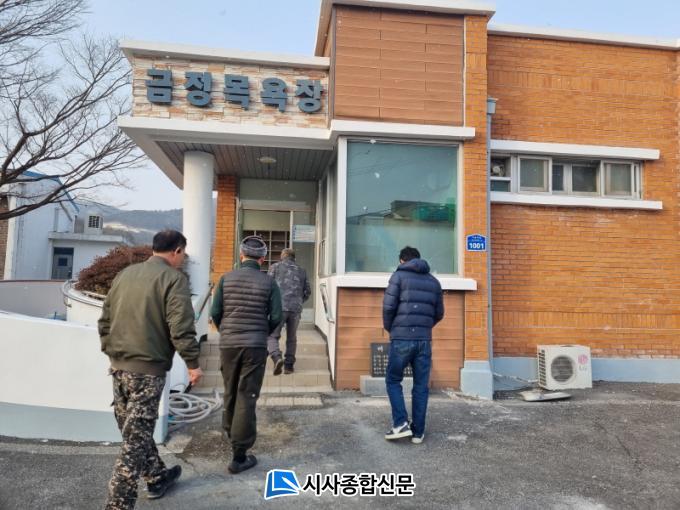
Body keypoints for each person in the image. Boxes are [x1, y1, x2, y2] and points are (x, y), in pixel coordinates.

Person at [99, 230, 203, 510]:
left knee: (133, 433)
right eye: (183, 254)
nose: (183, 259)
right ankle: (117, 505)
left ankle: (157, 476)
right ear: (177, 251)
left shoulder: (125, 275)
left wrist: (111, 351)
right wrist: (193, 364)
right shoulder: (173, 279)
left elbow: (105, 319)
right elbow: (181, 328)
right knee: (134, 444)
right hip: (147, 372)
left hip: (118, 368)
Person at [210, 235, 282, 474]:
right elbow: (277, 316)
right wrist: (263, 332)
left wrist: (225, 331)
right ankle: (239, 455)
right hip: (255, 345)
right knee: (246, 395)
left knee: (230, 390)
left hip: (229, 344)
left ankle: (230, 431)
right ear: (262, 259)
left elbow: (215, 312)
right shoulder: (269, 283)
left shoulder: (225, 278)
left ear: (241, 256)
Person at [382, 246, 444, 445]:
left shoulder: (398, 277)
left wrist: (392, 329)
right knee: (420, 386)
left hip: (401, 339)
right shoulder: (434, 282)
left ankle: (401, 424)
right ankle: (418, 432)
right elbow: (439, 314)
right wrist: (424, 328)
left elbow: (388, 307)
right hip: (424, 341)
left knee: (393, 380)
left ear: (402, 261)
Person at [267, 248, 311, 375]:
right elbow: (307, 291)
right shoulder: (302, 271)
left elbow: (267, 287)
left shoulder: (274, 267)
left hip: (279, 308)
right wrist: (299, 301)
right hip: (295, 309)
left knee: (272, 335)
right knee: (292, 338)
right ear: (294, 258)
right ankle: (289, 366)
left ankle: (277, 357)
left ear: (282, 256)